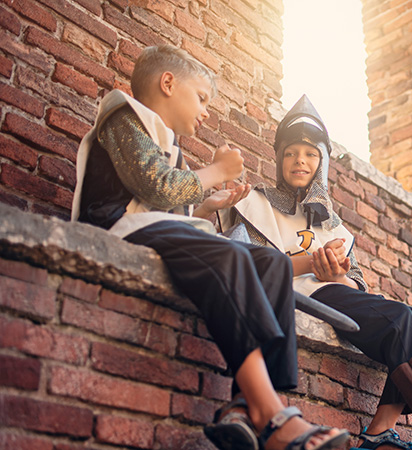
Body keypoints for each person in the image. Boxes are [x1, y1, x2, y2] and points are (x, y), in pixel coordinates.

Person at [71, 45, 349, 450]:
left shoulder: (167, 143)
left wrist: (206, 207)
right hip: (114, 226)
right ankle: (272, 415)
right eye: (201, 98)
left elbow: (171, 209)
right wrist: (216, 170)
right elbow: (157, 187)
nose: (205, 112)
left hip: (151, 227)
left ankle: (243, 405)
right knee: (230, 254)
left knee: (272, 264)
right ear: (168, 83)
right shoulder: (124, 116)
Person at [219, 96, 412, 450]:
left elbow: (356, 287)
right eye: (291, 153)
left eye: (309, 154)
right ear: (279, 158)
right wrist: (311, 264)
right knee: (399, 317)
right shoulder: (255, 204)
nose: (299, 161)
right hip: (292, 294)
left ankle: (380, 431)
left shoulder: (334, 226)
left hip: (333, 294)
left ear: (322, 162)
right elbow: (248, 266)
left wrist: (337, 274)